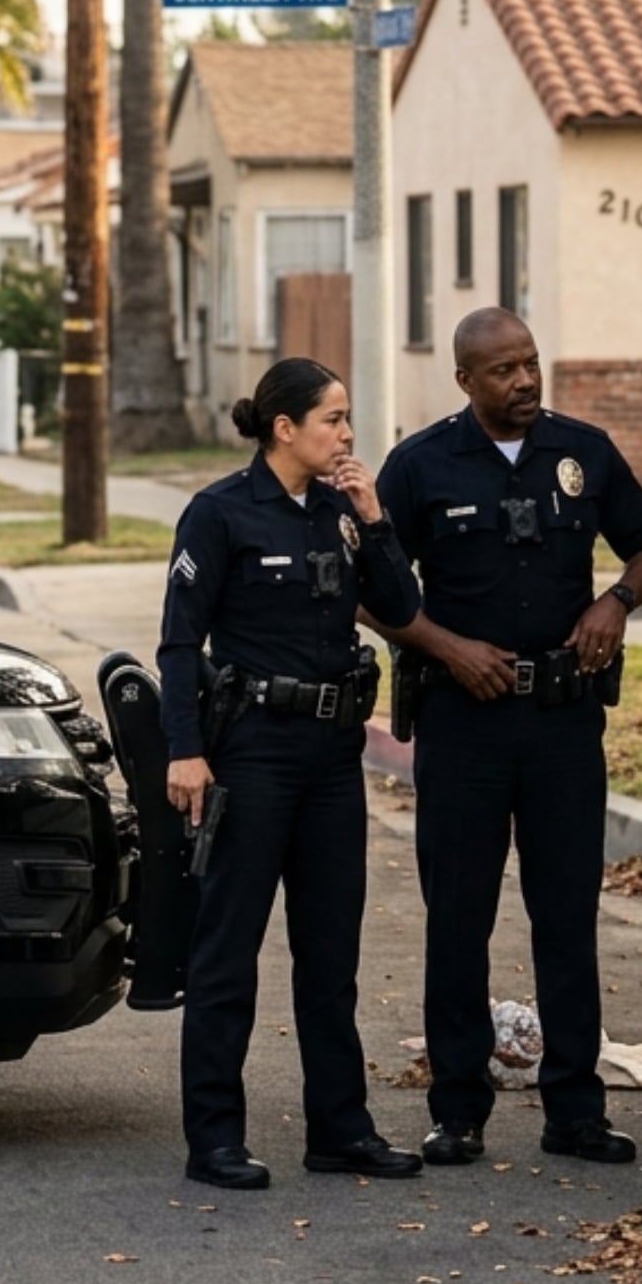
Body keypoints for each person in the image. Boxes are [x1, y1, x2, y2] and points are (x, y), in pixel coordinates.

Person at [372, 308, 642, 1167]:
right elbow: (370, 587)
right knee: (458, 919)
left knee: (567, 916)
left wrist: (616, 601)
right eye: (504, 370)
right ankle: (458, 1108)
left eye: (532, 363)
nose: (525, 382)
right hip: (463, 721)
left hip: (561, 720)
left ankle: (574, 1110)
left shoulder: (581, 451)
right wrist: (445, 648)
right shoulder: (422, 465)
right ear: (466, 381)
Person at [158, 357, 426, 1191]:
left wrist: (375, 519)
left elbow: (402, 606)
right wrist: (185, 749)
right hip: (253, 754)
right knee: (227, 952)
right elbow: (177, 643)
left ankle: (339, 1130)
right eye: (333, 420)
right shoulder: (220, 514)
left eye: (347, 420)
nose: (347, 435)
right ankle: (215, 1139)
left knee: (330, 953)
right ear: (285, 428)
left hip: (331, 759)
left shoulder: (341, 515)